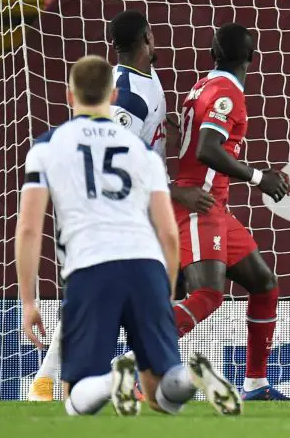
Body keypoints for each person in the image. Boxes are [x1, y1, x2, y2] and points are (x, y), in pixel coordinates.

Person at [16, 55, 241, 416]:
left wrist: (29, 302)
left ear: (69, 95)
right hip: (147, 263)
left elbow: (28, 228)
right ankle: (184, 378)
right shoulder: (143, 151)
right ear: (114, 93)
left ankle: (104, 381)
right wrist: (164, 288)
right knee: (161, 397)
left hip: (90, 264)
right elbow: (168, 232)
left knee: (76, 401)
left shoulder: (47, 146)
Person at [171, 23, 290, 401]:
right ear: (252, 57)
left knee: (264, 283)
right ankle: (138, 356)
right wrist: (260, 178)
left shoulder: (203, 85)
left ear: (214, 53)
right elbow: (208, 148)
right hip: (199, 205)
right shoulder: (226, 93)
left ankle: (255, 384)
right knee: (207, 294)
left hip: (215, 206)